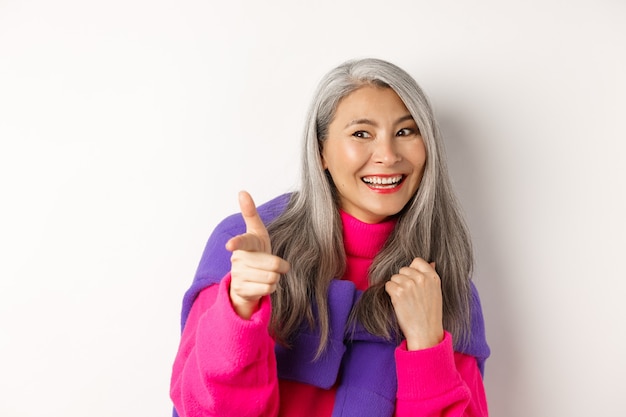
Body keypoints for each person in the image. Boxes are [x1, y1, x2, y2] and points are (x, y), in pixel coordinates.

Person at [170, 58, 490, 417]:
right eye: (361, 133)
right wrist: (239, 309)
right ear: (321, 151)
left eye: (405, 132)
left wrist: (427, 347)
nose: (387, 155)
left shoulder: (442, 285)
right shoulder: (247, 249)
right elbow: (204, 410)